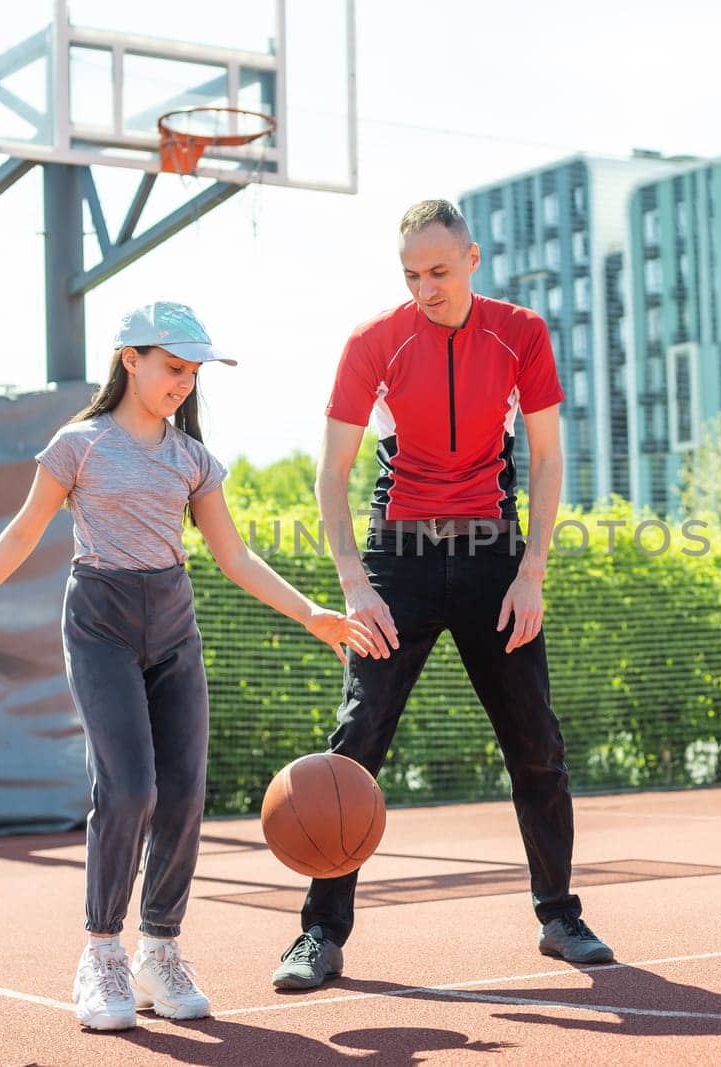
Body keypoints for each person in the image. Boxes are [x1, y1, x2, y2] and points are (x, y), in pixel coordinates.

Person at [0, 301, 378, 1030]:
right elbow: (22, 531)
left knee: (183, 793)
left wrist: (312, 613)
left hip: (172, 626)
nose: (183, 383)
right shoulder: (79, 445)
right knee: (128, 787)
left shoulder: (192, 458)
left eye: (193, 372)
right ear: (129, 358)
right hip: (100, 622)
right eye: (173, 367)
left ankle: (158, 949)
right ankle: (102, 951)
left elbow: (234, 556)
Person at [270, 200, 614, 992]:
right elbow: (333, 474)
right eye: (410, 275)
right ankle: (319, 935)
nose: (425, 288)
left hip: (496, 555)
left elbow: (550, 456)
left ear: (472, 259)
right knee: (356, 740)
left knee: (537, 741)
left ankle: (560, 915)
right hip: (399, 560)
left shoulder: (521, 332)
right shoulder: (372, 342)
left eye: (438, 271)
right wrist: (356, 584)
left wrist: (532, 573)